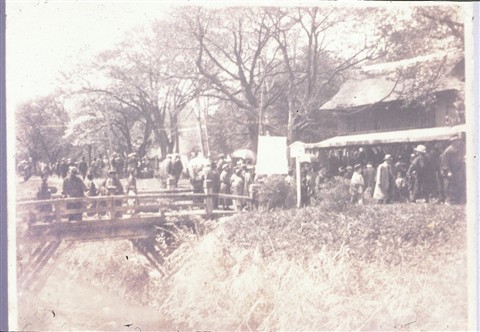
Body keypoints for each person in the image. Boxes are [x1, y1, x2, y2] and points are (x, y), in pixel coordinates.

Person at [441, 136, 465, 205]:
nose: (458, 142)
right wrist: (448, 171)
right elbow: (445, 162)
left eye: (458, 141)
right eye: (456, 141)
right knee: (448, 186)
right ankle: (448, 201)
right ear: (453, 142)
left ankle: (455, 200)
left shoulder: (457, 149)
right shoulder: (448, 151)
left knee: (456, 185)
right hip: (448, 171)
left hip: (456, 170)